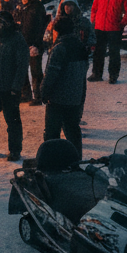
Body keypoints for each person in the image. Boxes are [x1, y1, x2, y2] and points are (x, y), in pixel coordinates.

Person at [0, 11, 29, 160]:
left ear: (7, 23)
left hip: (9, 87)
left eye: (0, 22)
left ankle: (15, 150)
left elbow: (22, 65)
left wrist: (16, 86)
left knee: (12, 120)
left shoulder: (16, 39)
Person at [40, 16, 88, 157]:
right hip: (75, 97)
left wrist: (44, 92)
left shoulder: (60, 48)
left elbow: (51, 74)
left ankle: (52, 161)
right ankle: (76, 159)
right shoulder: (80, 47)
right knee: (73, 130)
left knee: (52, 133)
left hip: (58, 98)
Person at [88, 0, 127, 84]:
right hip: (99, 28)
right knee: (98, 53)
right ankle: (96, 74)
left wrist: (122, 24)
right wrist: (93, 21)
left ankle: (113, 76)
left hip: (114, 29)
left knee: (114, 53)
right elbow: (94, 9)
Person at [13, 0, 48, 105]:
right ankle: (25, 93)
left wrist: (38, 45)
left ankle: (38, 96)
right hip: (20, 42)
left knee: (36, 71)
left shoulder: (37, 7)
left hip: (34, 43)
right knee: (21, 70)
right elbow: (15, 21)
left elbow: (41, 27)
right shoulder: (18, 5)